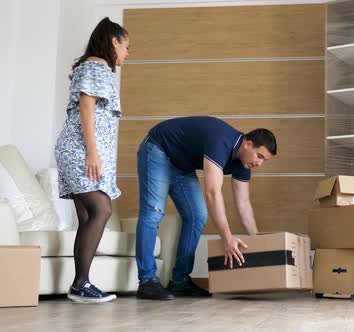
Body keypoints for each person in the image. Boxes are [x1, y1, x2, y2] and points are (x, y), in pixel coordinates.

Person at [135, 116, 277, 300]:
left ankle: (179, 281)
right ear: (248, 144)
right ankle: (147, 281)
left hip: (182, 166)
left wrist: (258, 243)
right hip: (158, 149)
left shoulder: (243, 163)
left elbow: (243, 204)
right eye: (259, 156)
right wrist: (227, 238)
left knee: (198, 215)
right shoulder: (221, 140)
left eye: (264, 160)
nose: (259, 163)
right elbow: (212, 193)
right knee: (153, 212)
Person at [54, 17, 129, 304]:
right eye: (125, 46)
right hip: (80, 149)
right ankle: (80, 284)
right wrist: (93, 152)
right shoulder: (97, 66)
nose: (127, 53)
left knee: (88, 216)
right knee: (102, 209)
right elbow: (87, 108)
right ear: (114, 41)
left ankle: (80, 286)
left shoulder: (94, 67)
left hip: (79, 148)